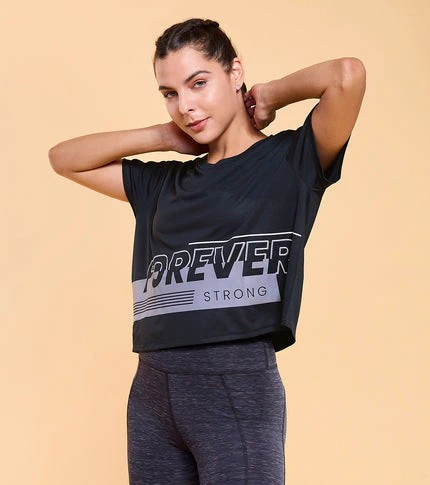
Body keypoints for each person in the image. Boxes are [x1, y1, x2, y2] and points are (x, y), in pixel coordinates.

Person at [48, 16, 365, 485]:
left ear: (235, 72)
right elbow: (63, 159)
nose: (186, 106)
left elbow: (346, 75)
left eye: (199, 83)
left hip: (236, 382)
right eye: (170, 93)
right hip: (152, 390)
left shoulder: (290, 162)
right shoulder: (163, 183)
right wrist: (162, 136)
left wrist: (270, 95)